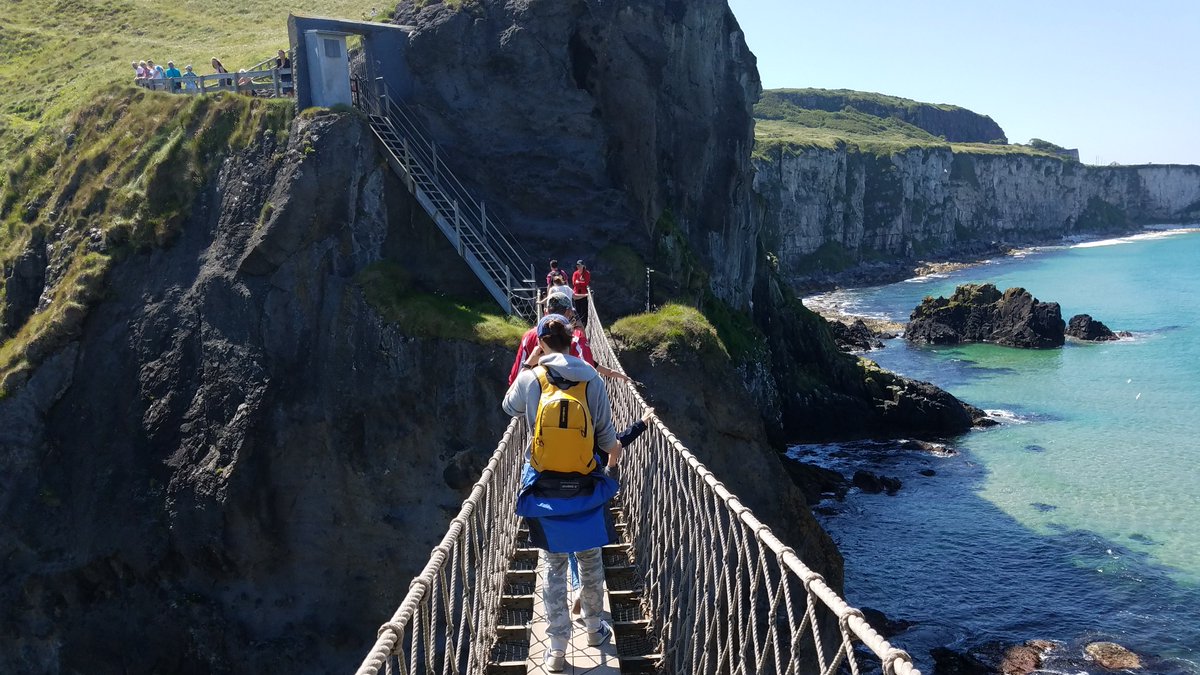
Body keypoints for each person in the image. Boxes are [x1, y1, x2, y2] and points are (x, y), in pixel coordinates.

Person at [504, 315, 621, 672]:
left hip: (543, 488)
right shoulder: (593, 381)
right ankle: (594, 629)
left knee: (553, 565)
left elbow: (508, 406)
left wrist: (529, 364)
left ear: (540, 342)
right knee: (589, 560)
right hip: (584, 487)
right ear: (574, 341)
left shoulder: (532, 377)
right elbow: (606, 439)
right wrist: (613, 464)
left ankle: (556, 650)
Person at [572, 260, 592, 326]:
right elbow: (574, 283)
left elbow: (586, 283)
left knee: (584, 309)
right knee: (577, 309)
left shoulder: (587, 273)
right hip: (577, 294)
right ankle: (578, 323)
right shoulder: (575, 273)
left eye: (580, 265)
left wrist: (579, 282)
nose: (578, 267)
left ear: (583, 266)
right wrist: (581, 282)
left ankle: (584, 324)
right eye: (577, 265)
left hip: (584, 294)